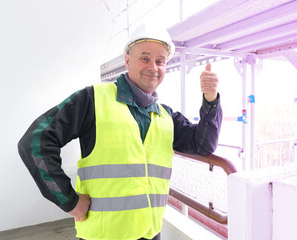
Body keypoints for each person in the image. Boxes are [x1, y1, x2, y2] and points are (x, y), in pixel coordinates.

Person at [18, 26, 222, 240]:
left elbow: (204, 144)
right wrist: (69, 201)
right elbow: (35, 141)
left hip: (150, 233)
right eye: (145, 58)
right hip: (103, 235)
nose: (153, 67)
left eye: (160, 61)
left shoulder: (166, 116)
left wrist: (211, 99)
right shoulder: (93, 100)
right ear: (127, 61)